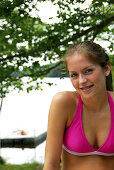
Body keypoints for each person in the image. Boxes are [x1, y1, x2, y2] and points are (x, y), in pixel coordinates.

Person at [43, 41, 114, 170]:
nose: (81, 81)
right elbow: (51, 165)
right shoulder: (64, 103)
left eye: (88, 71)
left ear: (107, 69)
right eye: (74, 75)